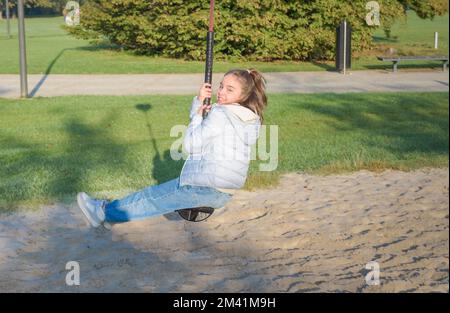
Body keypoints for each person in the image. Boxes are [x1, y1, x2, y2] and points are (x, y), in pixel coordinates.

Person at [77, 68, 268, 227]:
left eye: (230, 89)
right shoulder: (251, 119)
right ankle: (112, 216)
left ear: (243, 95)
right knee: (155, 198)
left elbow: (190, 146)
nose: (221, 92)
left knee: (151, 198)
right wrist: (202, 110)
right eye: (221, 86)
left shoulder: (220, 113)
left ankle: (102, 213)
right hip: (224, 193)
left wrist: (197, 115)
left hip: (204, 186)